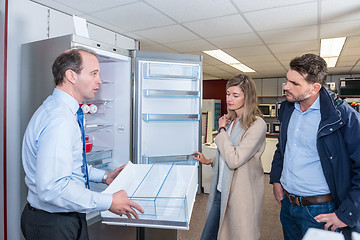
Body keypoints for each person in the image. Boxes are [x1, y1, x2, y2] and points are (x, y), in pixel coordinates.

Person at [21, 48, 144, 240]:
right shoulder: (59, 121)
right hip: (53, 224)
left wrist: (104, 176)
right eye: (93, 73)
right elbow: (53, 188)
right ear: (71, 76)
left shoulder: (59, 111)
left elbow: (69, 165)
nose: (99, 80)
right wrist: (108, 201)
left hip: (59, 218)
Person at [270, 53, 360, 240]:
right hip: (288, 205)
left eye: (295, 84)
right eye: (287, 80)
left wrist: (347, 213)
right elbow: (282, 148)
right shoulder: (287, 108)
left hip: (322, 210)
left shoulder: (344, 117)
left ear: (315, 88)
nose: (286, 87)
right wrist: (276, 179)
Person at [193, 74, 267, 240]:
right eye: (228, 94)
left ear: (247, 97)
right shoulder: (233, 121)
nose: (229, 99)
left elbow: (234, 159)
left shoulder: (257, 124)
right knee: (209, 235)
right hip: (221, 191)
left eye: (235, 95)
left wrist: (221, 131)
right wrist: (209, 160)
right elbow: (227, 154)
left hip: (240, 195)